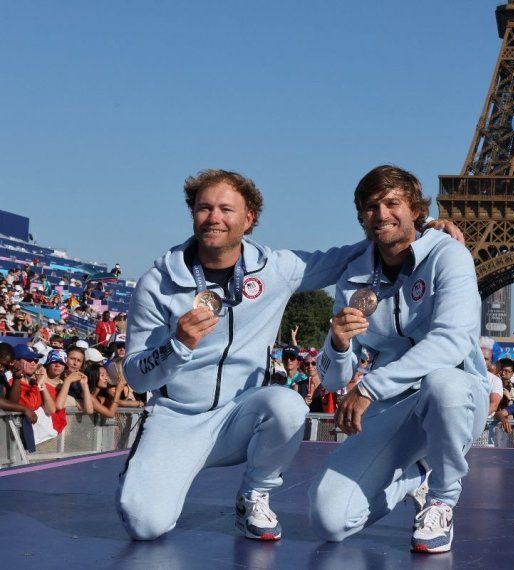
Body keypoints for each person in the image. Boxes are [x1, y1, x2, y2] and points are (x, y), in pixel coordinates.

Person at [116, 168, 463, 542]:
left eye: (226, 209)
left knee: (288, 404)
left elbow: (370, 247)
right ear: (193, 214)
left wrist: (424, 228)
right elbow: (136, 376)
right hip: (177, 421)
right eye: (204, 208)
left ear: (248, 219)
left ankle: (254, 493)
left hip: (242, 417)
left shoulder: (277, 269)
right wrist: (176, 346)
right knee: (145, 525)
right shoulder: (159, 282)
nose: (214, 218)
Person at [308, 165, 488, 554]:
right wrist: (337, 344)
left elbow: (453, 340)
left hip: (455, 397)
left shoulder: (449, 256)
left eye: (392, 203)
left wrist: (371, 385)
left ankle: (442, 496)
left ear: (416, 210)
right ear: (360, 216)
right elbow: (337, 381)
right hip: (394, 406)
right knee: (329, 519)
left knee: (444, 384)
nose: (382, 214)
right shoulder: (354, 275)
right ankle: (418, 476)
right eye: (371, 207)